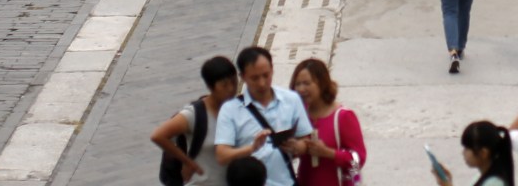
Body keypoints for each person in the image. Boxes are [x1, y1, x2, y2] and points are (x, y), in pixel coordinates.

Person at [215, 45, 313, 186]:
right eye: (254, 78)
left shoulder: (291, 99)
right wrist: (252, 148)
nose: (261, 83)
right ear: (243, 77)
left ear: (272, 70)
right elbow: (222, 156)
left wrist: (297, 147)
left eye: (266, 75)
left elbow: (307, 140)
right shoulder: (230, 109)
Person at [151, 55, 241, 186]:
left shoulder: (239, 109)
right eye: (224, 85)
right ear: (211, 87)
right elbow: (158, 136)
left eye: (234, 82)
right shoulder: (195, 114)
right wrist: (187, 162)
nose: (231, 89)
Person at [288, 57, 367, 186]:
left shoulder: (343, 117)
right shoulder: (298, 115)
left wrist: (328, 153)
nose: (301, 89)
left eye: (307, 83)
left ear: (322, 84)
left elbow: (358, 161)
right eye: (298, 84)